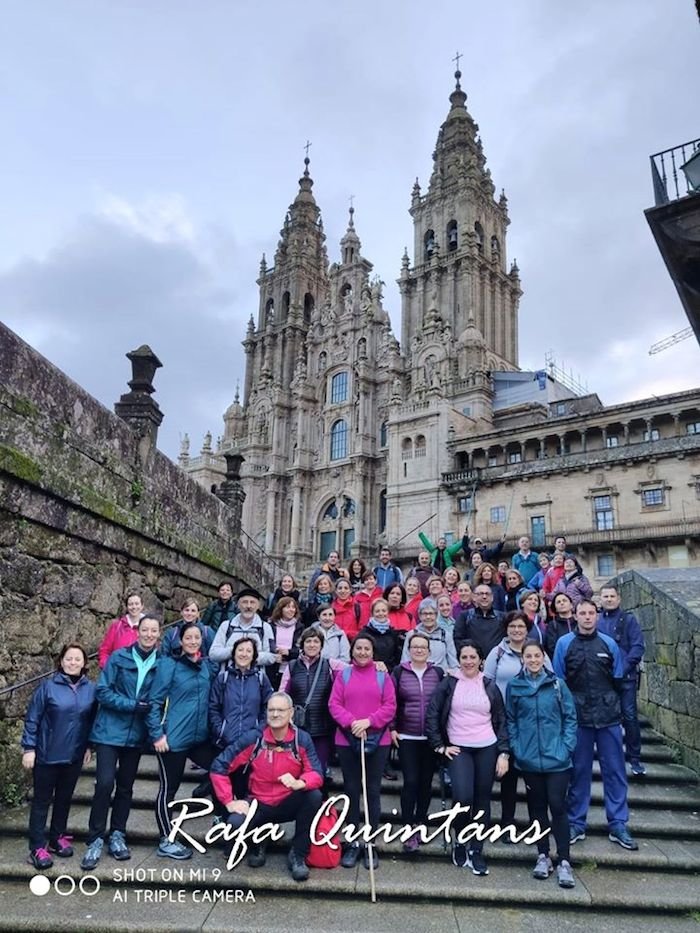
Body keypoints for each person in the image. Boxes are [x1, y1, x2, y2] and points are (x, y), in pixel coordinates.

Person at [210, 692, 324, 882]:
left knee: (313, 796)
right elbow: (219, 766)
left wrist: (300, 782)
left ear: (291, 714)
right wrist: (229, 801)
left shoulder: (301, 739)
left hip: (287, 800)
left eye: (280, 710)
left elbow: (317, 773)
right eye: (271, 710)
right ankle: (259, 841)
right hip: (259, 802)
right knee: (234, 826)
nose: (275, 714)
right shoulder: (253, 738)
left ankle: (298, 854)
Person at [553, 599, 638, 851]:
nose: (587, 617)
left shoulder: (609, 643)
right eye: (583, 613)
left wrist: (621, 712)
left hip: (608, 717)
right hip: (578, 719)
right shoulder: (563, 644)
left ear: (597, 616)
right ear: (575, 616)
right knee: (578, 772)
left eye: (591, 613)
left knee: (615, 771)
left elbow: (620, 679)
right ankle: (576, 822)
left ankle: (618, 823)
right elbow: (559, 682)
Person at [80, 615, 161, 870]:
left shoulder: (162, 663)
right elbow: (102, 692)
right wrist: (132, 706)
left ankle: (117, 834)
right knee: (104, 784)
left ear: (159, 634)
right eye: (145, 630)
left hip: (136, 736)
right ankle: (94, 838)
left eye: (153, 631)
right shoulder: (119, 658)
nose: (149, 634)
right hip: (108, 732)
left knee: (125, 787)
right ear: (138, 632)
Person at [425, 640, 510, 875]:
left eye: (473, 657)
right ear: (459, 659)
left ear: (480, 660)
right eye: (464, 657)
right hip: (459, 747)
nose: (469, 661)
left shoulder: (490, 685)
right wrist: (439, 746)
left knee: (482, 800)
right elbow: (432, 714)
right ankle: (461, 840)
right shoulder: (448, 684)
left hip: (487, 746)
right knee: (463, 797)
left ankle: (477, 849)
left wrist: (503, 752)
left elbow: (502, 720)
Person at [506, 640, 578, 889]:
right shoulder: (515, 686)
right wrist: (517, 748)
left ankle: (564, 860)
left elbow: (570, 717)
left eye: (537, 655)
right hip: (529, 759)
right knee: (536, 809)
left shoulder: (558, 684)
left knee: (557, 806)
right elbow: (511, 720)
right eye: (529, 656)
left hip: (556, 758)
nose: (533, 660)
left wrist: (566, 746)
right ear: (523, 658)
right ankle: (543, 855)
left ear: (543, 657)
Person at [146, 621, 218, 859]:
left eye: (197, 637)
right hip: (173, 740)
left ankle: (221, 817)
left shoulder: (207, 666)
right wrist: (157, 734)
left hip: (199, 738)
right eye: (189, 637)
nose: (193, 641)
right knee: (169, 789)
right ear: (181, 640)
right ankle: (166, 839)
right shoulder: (170, 665)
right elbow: (154, 702)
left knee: (220, 769)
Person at [21, 643, 96, 869]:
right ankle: (37, 846)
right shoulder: (47, 687)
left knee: (64, 799)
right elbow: (33, 718)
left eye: (77, 659)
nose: (73, 663)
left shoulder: (90, 689)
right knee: (42, 801)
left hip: (73, 755)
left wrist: (88, 747)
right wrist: (29, 748)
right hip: (46, 755)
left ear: (84, 663)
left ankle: (56, 837)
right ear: (61, 661)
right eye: (68, 659)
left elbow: (90, 721)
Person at [328, 634, 397, 869]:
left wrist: (369, 721)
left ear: (373, 651)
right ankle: (352, 843)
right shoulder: (343, 674)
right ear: (352, 651)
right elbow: (334, 704)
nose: (363, 652)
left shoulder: (382, 675)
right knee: (351, 791)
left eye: (367, 649)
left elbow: (390, 705)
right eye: (359, 648)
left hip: (378, 740)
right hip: (347, 741)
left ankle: (370, 843)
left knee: (372, 792)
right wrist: (352, 723)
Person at [484, 612, 552, 832]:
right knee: (509, 775)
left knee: (533, 775)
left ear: (527, 629)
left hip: (532, 720)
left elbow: (550, 679)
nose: (516, 630)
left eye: (520, 626)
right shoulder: (498, 652)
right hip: (504, 719)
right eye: (512, 626)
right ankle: (507, 822)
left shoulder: (535, 652)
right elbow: (487, 682)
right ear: (506, 629)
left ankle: (537, 824)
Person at [391, 632, 444, 851]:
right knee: (411, 781)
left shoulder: (438, 673)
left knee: (425, 783)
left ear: (429, 651)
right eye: (415, 647)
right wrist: (392, 728)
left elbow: (444, 704)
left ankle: (420, 822)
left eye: (423, 647)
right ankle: (407, 826)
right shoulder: (399, 671)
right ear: (409, 650)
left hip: (430, 738)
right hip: (407, 736)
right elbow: (391, 700)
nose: (419, 650)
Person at [280, 627, 345, 772]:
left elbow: (355, 671)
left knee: (318, 769)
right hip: (298, 728)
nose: (312, 645)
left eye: (316, 641)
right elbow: (282, 695)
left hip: (323, 728)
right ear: (302, 645)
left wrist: (376, 665)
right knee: (297, 769)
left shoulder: (331, 665)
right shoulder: (291, 666)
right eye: (308, 641)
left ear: (321, 645)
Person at [597, 585, 646, 776]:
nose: (608, 599)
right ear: (600, 599)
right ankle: (611, 759)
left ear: (618, 599)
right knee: (606, 721)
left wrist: (621, 669)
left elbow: (637, 647)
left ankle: (634, 759)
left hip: (626, 678)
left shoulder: (629, 619)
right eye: (605, 596)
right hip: (603, 680)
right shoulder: (597, 621)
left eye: (612, 596)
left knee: (630, 717)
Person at [209, 637, 273, 755]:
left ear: (254, 656)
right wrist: (221, 731)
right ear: (234, 653)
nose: (244, 654)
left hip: (253, 743)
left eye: (249, 651)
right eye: (240, 650)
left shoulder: (261, 679)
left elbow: (268, 708)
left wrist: (258, 731)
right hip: (225, 743)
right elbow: (213, 708)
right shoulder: (223, 679)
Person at [209, 588, 277, 668]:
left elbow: (272, 656)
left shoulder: (265, 628)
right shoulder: (226, 626)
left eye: (252, 602)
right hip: (228, 677)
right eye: (245, 602)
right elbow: (213, 654)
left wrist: (251, 656)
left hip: (255, 678)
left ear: (258, 605)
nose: (248, 606)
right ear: (238, 605)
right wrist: (235, 651)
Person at [401, 599, 458, 672]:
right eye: (424, 614)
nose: (428, 617)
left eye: (431, 614)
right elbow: (405, 660)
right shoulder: (412, 634)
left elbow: (453, 663)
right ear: (420, 616)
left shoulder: (445, 635)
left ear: (436, 615)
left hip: (441, 676)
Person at [454, 584, 507, 657]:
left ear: (492, 598)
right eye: (481, 594)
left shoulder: (502, 617)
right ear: (474, 597)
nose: (484, 597)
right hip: (472, 662)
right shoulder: (465, 616)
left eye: (487, 594)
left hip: (498, 661)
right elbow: (458, 639)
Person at [98, 592, 144, 668]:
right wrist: (107, 666)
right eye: (130, 604)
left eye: (136, 604)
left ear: (142, 606)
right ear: (127, 607)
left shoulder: (148, 628)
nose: (134, 607)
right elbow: (105, 650)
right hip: (117, 672)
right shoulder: (116, 626)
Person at [268, 596, 304, 689]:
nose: (291, 610)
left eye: (293, 607)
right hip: (273, 668)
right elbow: (267, 643)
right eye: (288, 607)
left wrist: (289, 652)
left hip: (292, 669)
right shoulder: (271, 625)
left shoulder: (299, 627)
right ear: (281, 609)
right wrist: (275, 651)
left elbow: (302, 649)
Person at [358, 598, 402, 671]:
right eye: (377, 611)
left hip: (389, 672)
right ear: (372, 613)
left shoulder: (393, 633)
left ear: (388, 613)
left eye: (383, 611)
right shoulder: (365, 633)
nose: (381, 613)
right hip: (369, 671)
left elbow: (396, 656)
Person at [544, 593, 575, 660]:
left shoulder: (578, 623)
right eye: (558, 602)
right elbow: (551, 647)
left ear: (571, 605)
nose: (562, 603)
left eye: (564, 600)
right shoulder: (552, 625)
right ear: (556, 608)